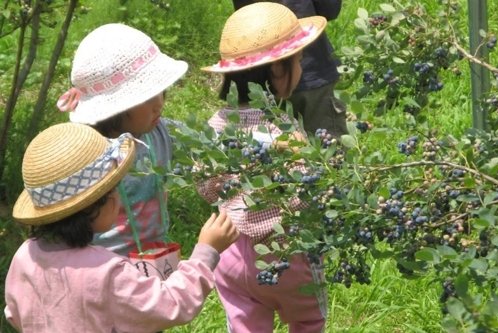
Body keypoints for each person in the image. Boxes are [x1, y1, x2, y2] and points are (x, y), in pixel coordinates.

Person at [4, 122, 239, 333]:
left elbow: (14, 314)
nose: (118, 196)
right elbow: (169, 304)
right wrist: (205, 252)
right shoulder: (106, 272)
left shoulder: (26, 255)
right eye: (113, 189)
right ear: (93, 205)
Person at [199, 3, 328, 332]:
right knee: (307, 320)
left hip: (230, 254)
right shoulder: (285, 130)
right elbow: (304, 194)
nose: (300, 68)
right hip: (287, 258)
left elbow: (205, 185)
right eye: (297, 61)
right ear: (277, 71)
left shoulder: (217, 125)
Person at [57, 23, 187, 257]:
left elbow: (212, 140)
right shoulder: (86, 155)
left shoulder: (160, 133)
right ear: (116, 108)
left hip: (155, 255)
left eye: (161, 91)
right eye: (147, 97)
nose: (160, 103)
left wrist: (264, 142)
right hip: (103, 266)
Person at [232, 0, 348, 139]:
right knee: (329, 152)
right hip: (312, 70)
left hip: (258, 70)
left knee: (271, 150)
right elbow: (328, 9)